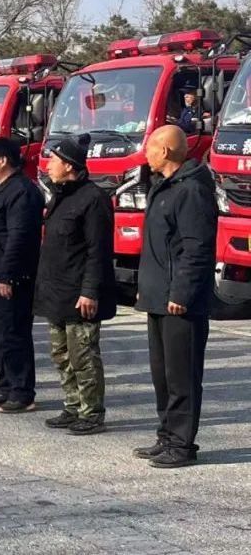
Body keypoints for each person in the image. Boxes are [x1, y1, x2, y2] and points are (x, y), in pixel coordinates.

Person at [134, 125, 218, 468]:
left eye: (150, 148)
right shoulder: (164, 187)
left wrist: (181, 291)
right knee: (163, 374)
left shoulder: (192, 191)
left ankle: (182, 444)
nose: (146, 154)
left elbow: (195, 249)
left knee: (182, 375)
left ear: (165, 151)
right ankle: (167, 435)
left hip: (180, 301)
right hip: (158, 297)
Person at [35, 135, 117, 435]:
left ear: (69, 166)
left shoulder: (93, 199)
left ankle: (92, 412)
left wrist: (90, 291)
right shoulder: (61, 194)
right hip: (57, 292)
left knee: (83, 356)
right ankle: (72, 406)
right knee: (61, 354)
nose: (48, 165)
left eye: (54, 160)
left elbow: (98, 250)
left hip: (79, 294)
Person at [0, 138, 44, 413]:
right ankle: (6, 385)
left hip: (10, 277)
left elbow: (19, 238)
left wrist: (6, 275)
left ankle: (22, 391)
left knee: (13, 334)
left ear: (3, 160)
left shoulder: (22, 192)